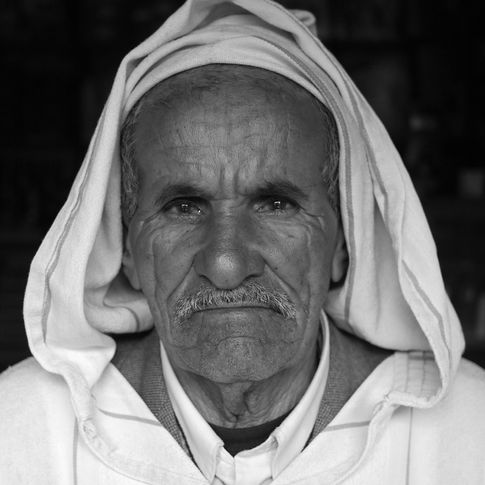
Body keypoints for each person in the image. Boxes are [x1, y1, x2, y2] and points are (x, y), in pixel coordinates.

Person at [1, 0, 484, 483]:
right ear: (126, 249)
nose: (227, 264)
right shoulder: (21, 431)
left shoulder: (467, 431)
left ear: (342, 242)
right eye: (183, 207)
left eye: (276, 204)